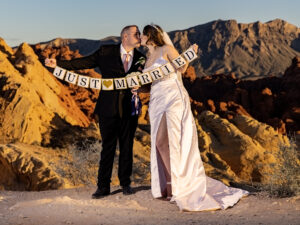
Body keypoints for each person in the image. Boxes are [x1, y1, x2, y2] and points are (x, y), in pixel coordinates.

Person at [141, 24, 248, 211]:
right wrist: (137, 88)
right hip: (156, 100)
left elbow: (181, 69)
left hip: (172, 98)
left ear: (149, 36)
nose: (140, 38)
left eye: (142, 35)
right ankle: (168, 183)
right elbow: (149, 82)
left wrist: (188, 55)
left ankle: (177, 186)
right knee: (160, 143)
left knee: (171, 140)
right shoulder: (148, 58)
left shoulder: (167, 49)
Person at [45, 25, 146, 198]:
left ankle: (125, 183)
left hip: (129, 109)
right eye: (136, 34)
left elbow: (146, 80)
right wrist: (58, 64)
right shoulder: (106, 52)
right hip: (107, 108)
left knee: (127, 147)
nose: (139, 36)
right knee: (108, 148)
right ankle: (103, 186)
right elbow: (82, 63)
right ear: (125, 36)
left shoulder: (141, 58)